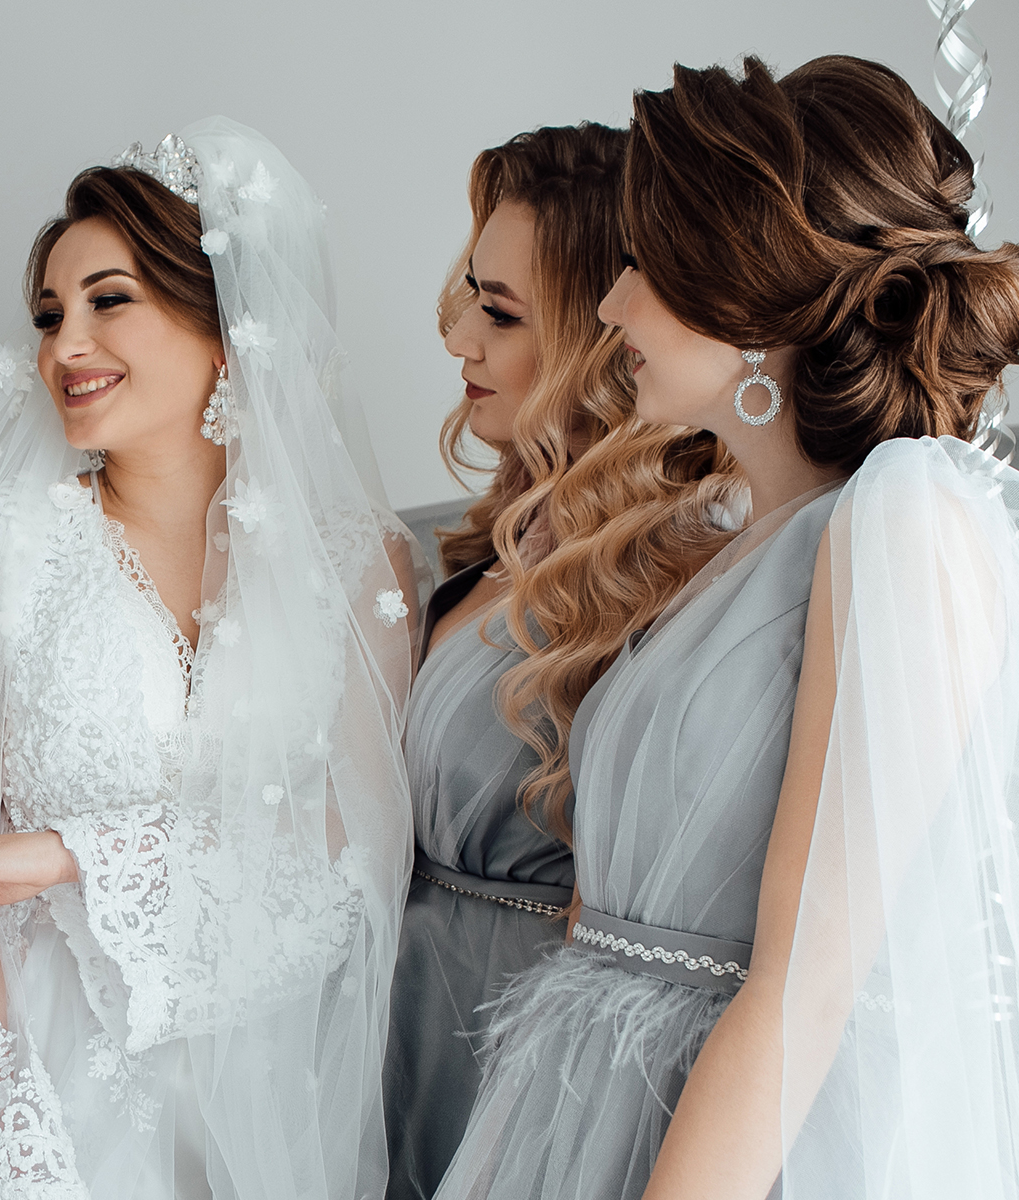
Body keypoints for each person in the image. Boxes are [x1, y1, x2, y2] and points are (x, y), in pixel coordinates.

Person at [436, 56, 1019, 1200]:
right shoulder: (727, 541)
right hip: (577, 1101)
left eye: (641, 264)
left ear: (742, 299)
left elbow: (805, 983)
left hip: (726, 1136)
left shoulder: (901, 530)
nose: (610, 306)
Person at [0, 119, 418, 1199]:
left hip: (277, 1109)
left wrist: (65, 854)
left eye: (108, 300)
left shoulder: (358, 563)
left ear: (225, 324)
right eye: (50, 314)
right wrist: (8, 1158)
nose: (62, 346)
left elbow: (351, 866)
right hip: (41, 1093)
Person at [386, 121, 733, 1200]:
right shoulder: (493, 539)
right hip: (399, 1016)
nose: (458, 339)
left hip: (514, 1045)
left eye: (498, 312)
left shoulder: (676, 571)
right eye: (466, 297)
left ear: (605, 335)